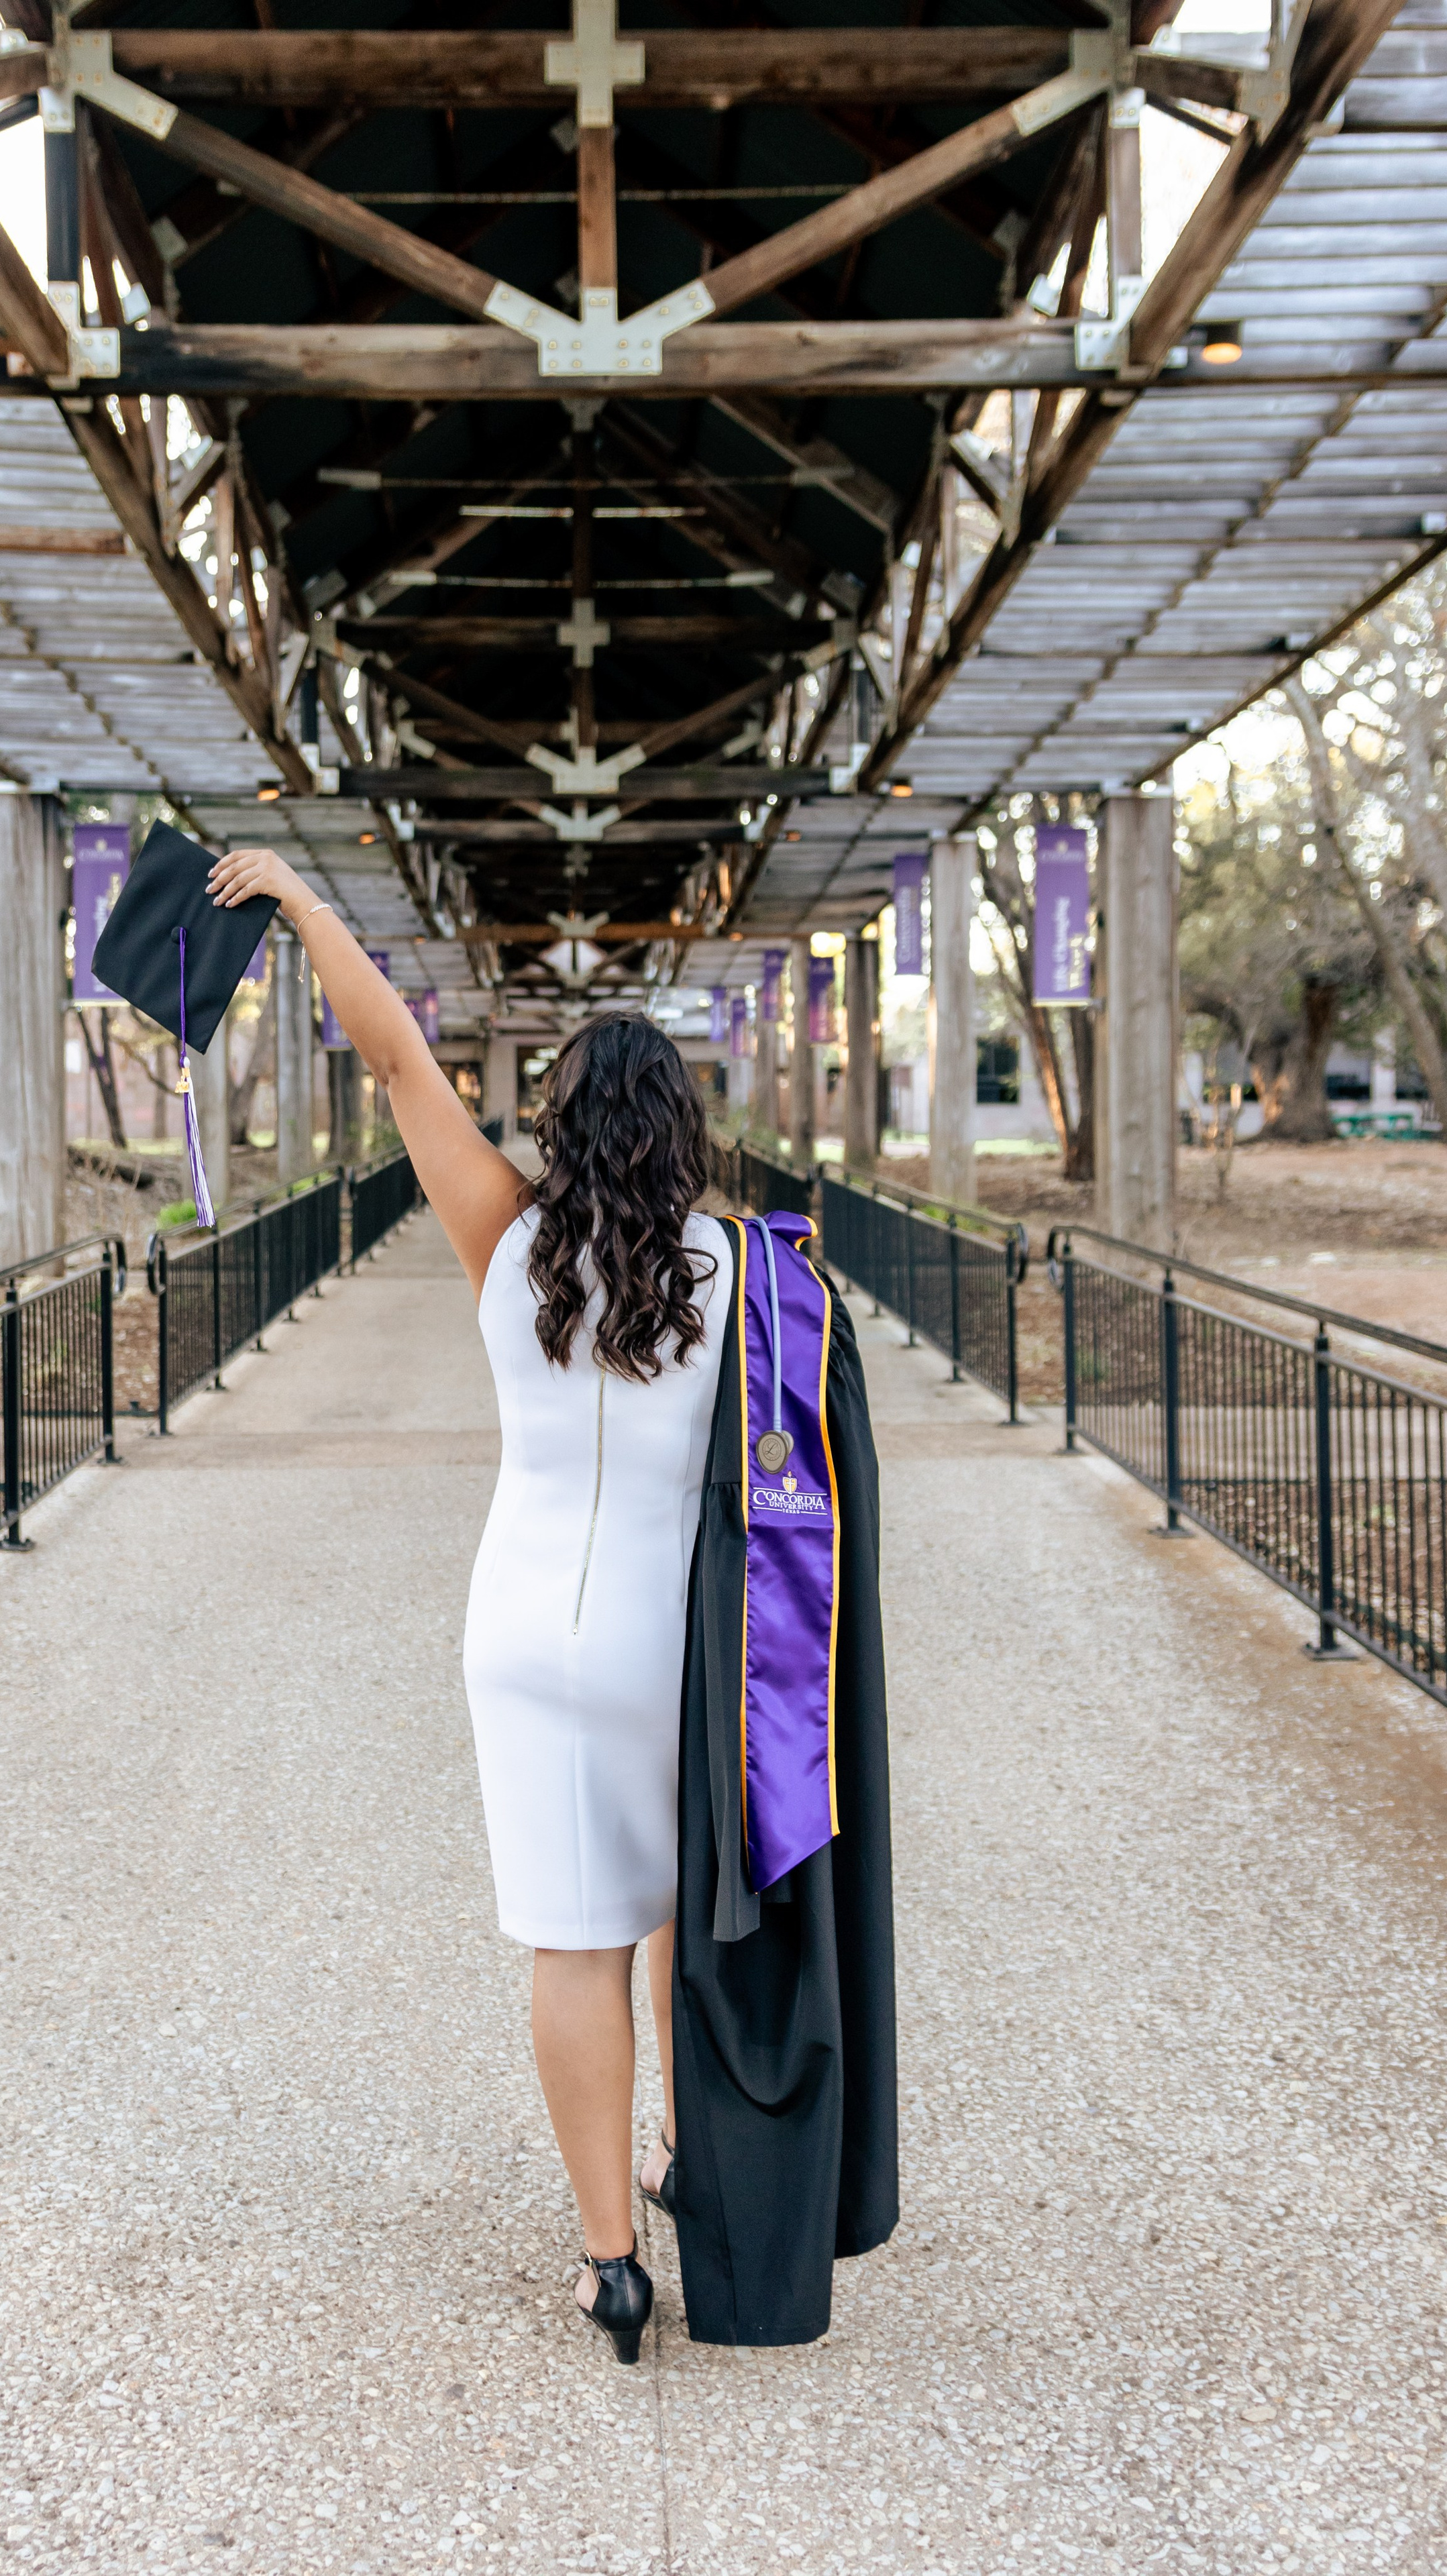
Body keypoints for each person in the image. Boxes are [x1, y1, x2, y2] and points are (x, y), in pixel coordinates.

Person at [207, 847, 896, 2362]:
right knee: (678, 1905)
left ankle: (611, 2265)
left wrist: (308, 908)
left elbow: (397, 1057)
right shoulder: (749, 1277)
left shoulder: (505, 1237)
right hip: (674, 1652)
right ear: (684, 1131)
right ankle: (685, 2151)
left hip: (520, 1638)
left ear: (556, 1124)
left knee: (575, 1936)